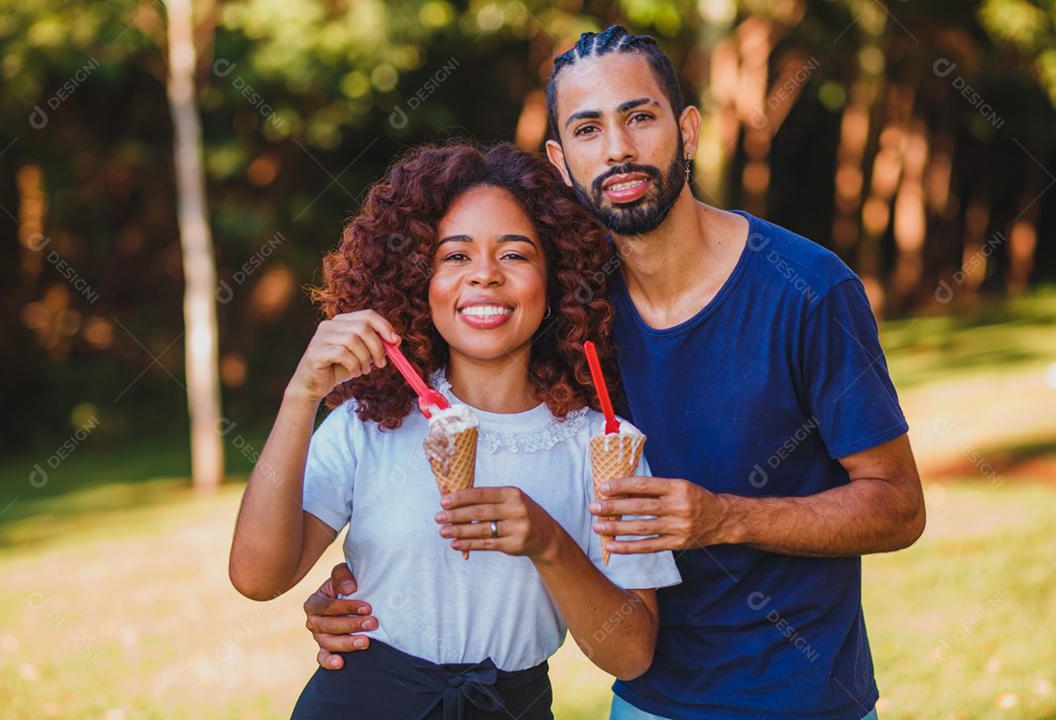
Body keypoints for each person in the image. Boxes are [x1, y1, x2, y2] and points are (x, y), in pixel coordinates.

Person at [303, 26, 925, 720]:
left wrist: (726, 518)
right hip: (643, 701)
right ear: (561, 161)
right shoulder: (561, 310)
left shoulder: (806, 289)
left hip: (806, 700)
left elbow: (898, 507)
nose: (619, 148)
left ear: (687, 131)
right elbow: (448, 439)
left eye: (640, 117)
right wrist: (369, 607)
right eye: (588, 129)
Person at [228, 141, 681, 719]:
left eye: (515, 255)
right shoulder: (368, 426)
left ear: (557, 278)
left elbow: (633, 653)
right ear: (419, 280)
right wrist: (301, 395)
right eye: (455, 256)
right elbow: (257, 577)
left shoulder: (602, 446)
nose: (485, 276)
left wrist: (548, 542)